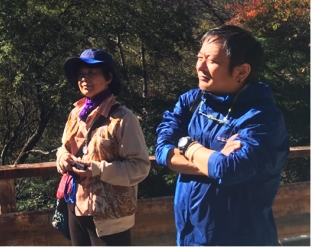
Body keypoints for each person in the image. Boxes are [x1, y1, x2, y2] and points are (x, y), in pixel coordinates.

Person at [155, 25, 289, 246]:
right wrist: (210, 161)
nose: (200, 66)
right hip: (189, 236)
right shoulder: (192, 102)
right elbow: (161, 149)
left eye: (212, 61)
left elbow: (229, 170)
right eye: (199, 57)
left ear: (241, 72)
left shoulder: (262, 118)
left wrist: (186, 146)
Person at [56, 48, 150, 246]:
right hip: (76, 206)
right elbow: (63, 148)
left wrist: (97, 170)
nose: (84, 78)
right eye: (81, 73)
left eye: (92, 73)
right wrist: (63, 158)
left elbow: (139, 167)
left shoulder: (123, 118)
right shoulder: (76, 114)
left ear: (108, 78)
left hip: (110, 215)